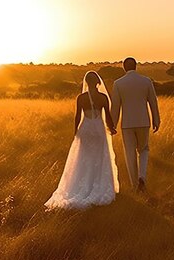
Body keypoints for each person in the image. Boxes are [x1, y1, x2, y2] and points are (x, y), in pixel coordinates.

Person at [45, 71, 119, 210]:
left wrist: (76, 132)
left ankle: (82, 185)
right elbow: (107, 116)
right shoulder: (103, 97)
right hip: (98, 129)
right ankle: (97, 184)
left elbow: (77, 116)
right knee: (99, 157)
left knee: (84, 157)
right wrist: (112, 128)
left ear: (86, 82)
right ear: (97, 82)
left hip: (85, 128)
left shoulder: (81, 98)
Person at [111, 57, 160, 192]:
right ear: (136, 66)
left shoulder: (118, 83)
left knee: (129, 152)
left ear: (124, 67)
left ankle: (134, 184)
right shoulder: (146, 81)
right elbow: (153, 102)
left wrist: (113, 125)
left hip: (127, 123)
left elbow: (115, 107)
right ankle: (142, 177)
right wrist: (156, 119)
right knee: (144, 150)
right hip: (144, 121)